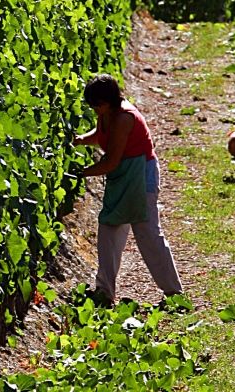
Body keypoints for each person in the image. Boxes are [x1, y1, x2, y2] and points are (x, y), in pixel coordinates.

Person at [74, 74, 183, 306]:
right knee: (109, 229)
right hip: (123, 176)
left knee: (148, 234)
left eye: (96, 105)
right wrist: (81, 140)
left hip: (140, 175)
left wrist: (80, 173)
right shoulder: (108, 113)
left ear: (106, 102)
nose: (95, 110)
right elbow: (101, 135)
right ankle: (104, 292)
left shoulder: (125, 118)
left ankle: (174, 294)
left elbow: (111, 161)